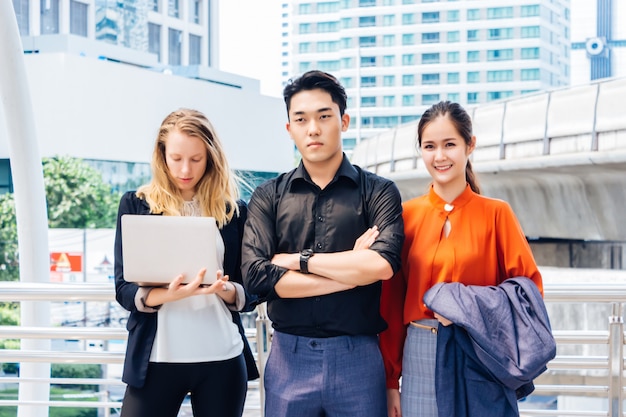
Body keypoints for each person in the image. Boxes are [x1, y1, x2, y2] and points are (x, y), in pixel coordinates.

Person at [241, 70, 405, 417]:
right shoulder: (268, 196)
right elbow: (256, 276)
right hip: (289, 358)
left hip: (358, 358)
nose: (312, 129)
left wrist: (297, 261)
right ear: (290, 129)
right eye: (301, 119)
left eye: (324, 116)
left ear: (343, 121)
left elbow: (382, 265)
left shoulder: (378, 191)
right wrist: (352, 270)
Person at [379, 101, 544, 417]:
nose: (439, 156)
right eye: (430, 146)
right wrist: (390, 381)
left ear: (470, 145)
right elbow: (390, 303)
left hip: (479, 351)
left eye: (449, 145)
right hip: (421, 350)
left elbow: (529, 293)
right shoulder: (406, 217)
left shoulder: (497, 214)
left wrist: (466, 306)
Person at [113, 108, 258, 417]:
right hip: (156, 359)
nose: (185, 169)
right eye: (176, 158)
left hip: (222, 356)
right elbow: (123, 287)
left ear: (211, 157)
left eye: (196, 159)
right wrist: (170, 294)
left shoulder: (235, 212)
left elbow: (251, 291)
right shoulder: (136, 204)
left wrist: (224, 289)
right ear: (161, 155)